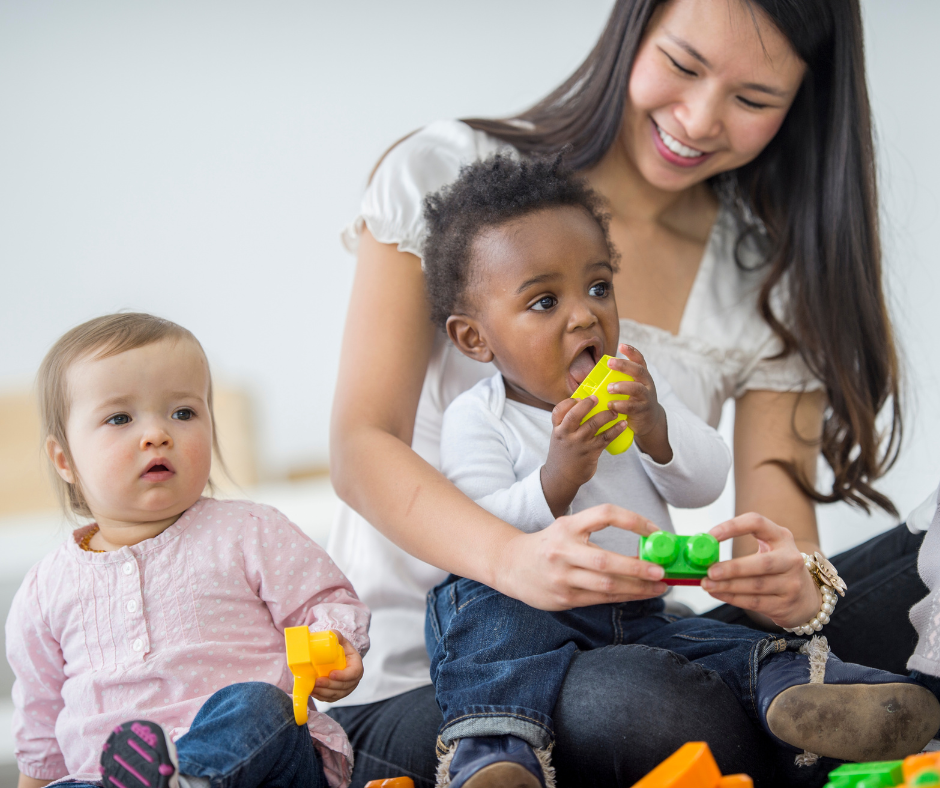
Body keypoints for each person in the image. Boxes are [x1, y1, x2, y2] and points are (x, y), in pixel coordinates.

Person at [327, 0, 918, 785]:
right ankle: (781, 731)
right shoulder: (448, 180)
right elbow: (363, 446)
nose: (699, 120)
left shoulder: (768, 275)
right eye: (682, 65)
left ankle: (817, 708)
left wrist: (793, 584)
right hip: (432, 673)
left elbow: (767, 527)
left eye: (752, 100)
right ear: (631, 33)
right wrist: (516, 559)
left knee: (861, 602)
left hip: (639, 626)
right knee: (641, 707)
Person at [419, 152, 937, 787]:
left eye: (599, 287)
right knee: (483, 624)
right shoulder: (481, 417)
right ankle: (495, 754)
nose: (584, 315)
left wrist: (657, 428)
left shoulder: (638, 390)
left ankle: (809, 691)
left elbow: (706, 479)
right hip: (525, 608)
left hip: (637, 611)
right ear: (476, 339)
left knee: (714, 645)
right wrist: (559, 476)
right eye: (545, 301)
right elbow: (481, 526)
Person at [6, 313, 370, 788]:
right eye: (120, 418)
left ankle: (190, 778)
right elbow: (40, 730)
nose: (157, 434)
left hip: (264, 769)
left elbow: (324, 603)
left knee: (258, 704)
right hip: (101, 777)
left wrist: (335, 648)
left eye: (183, 413)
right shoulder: (43, 590)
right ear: (65, 460)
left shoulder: (247, 531)